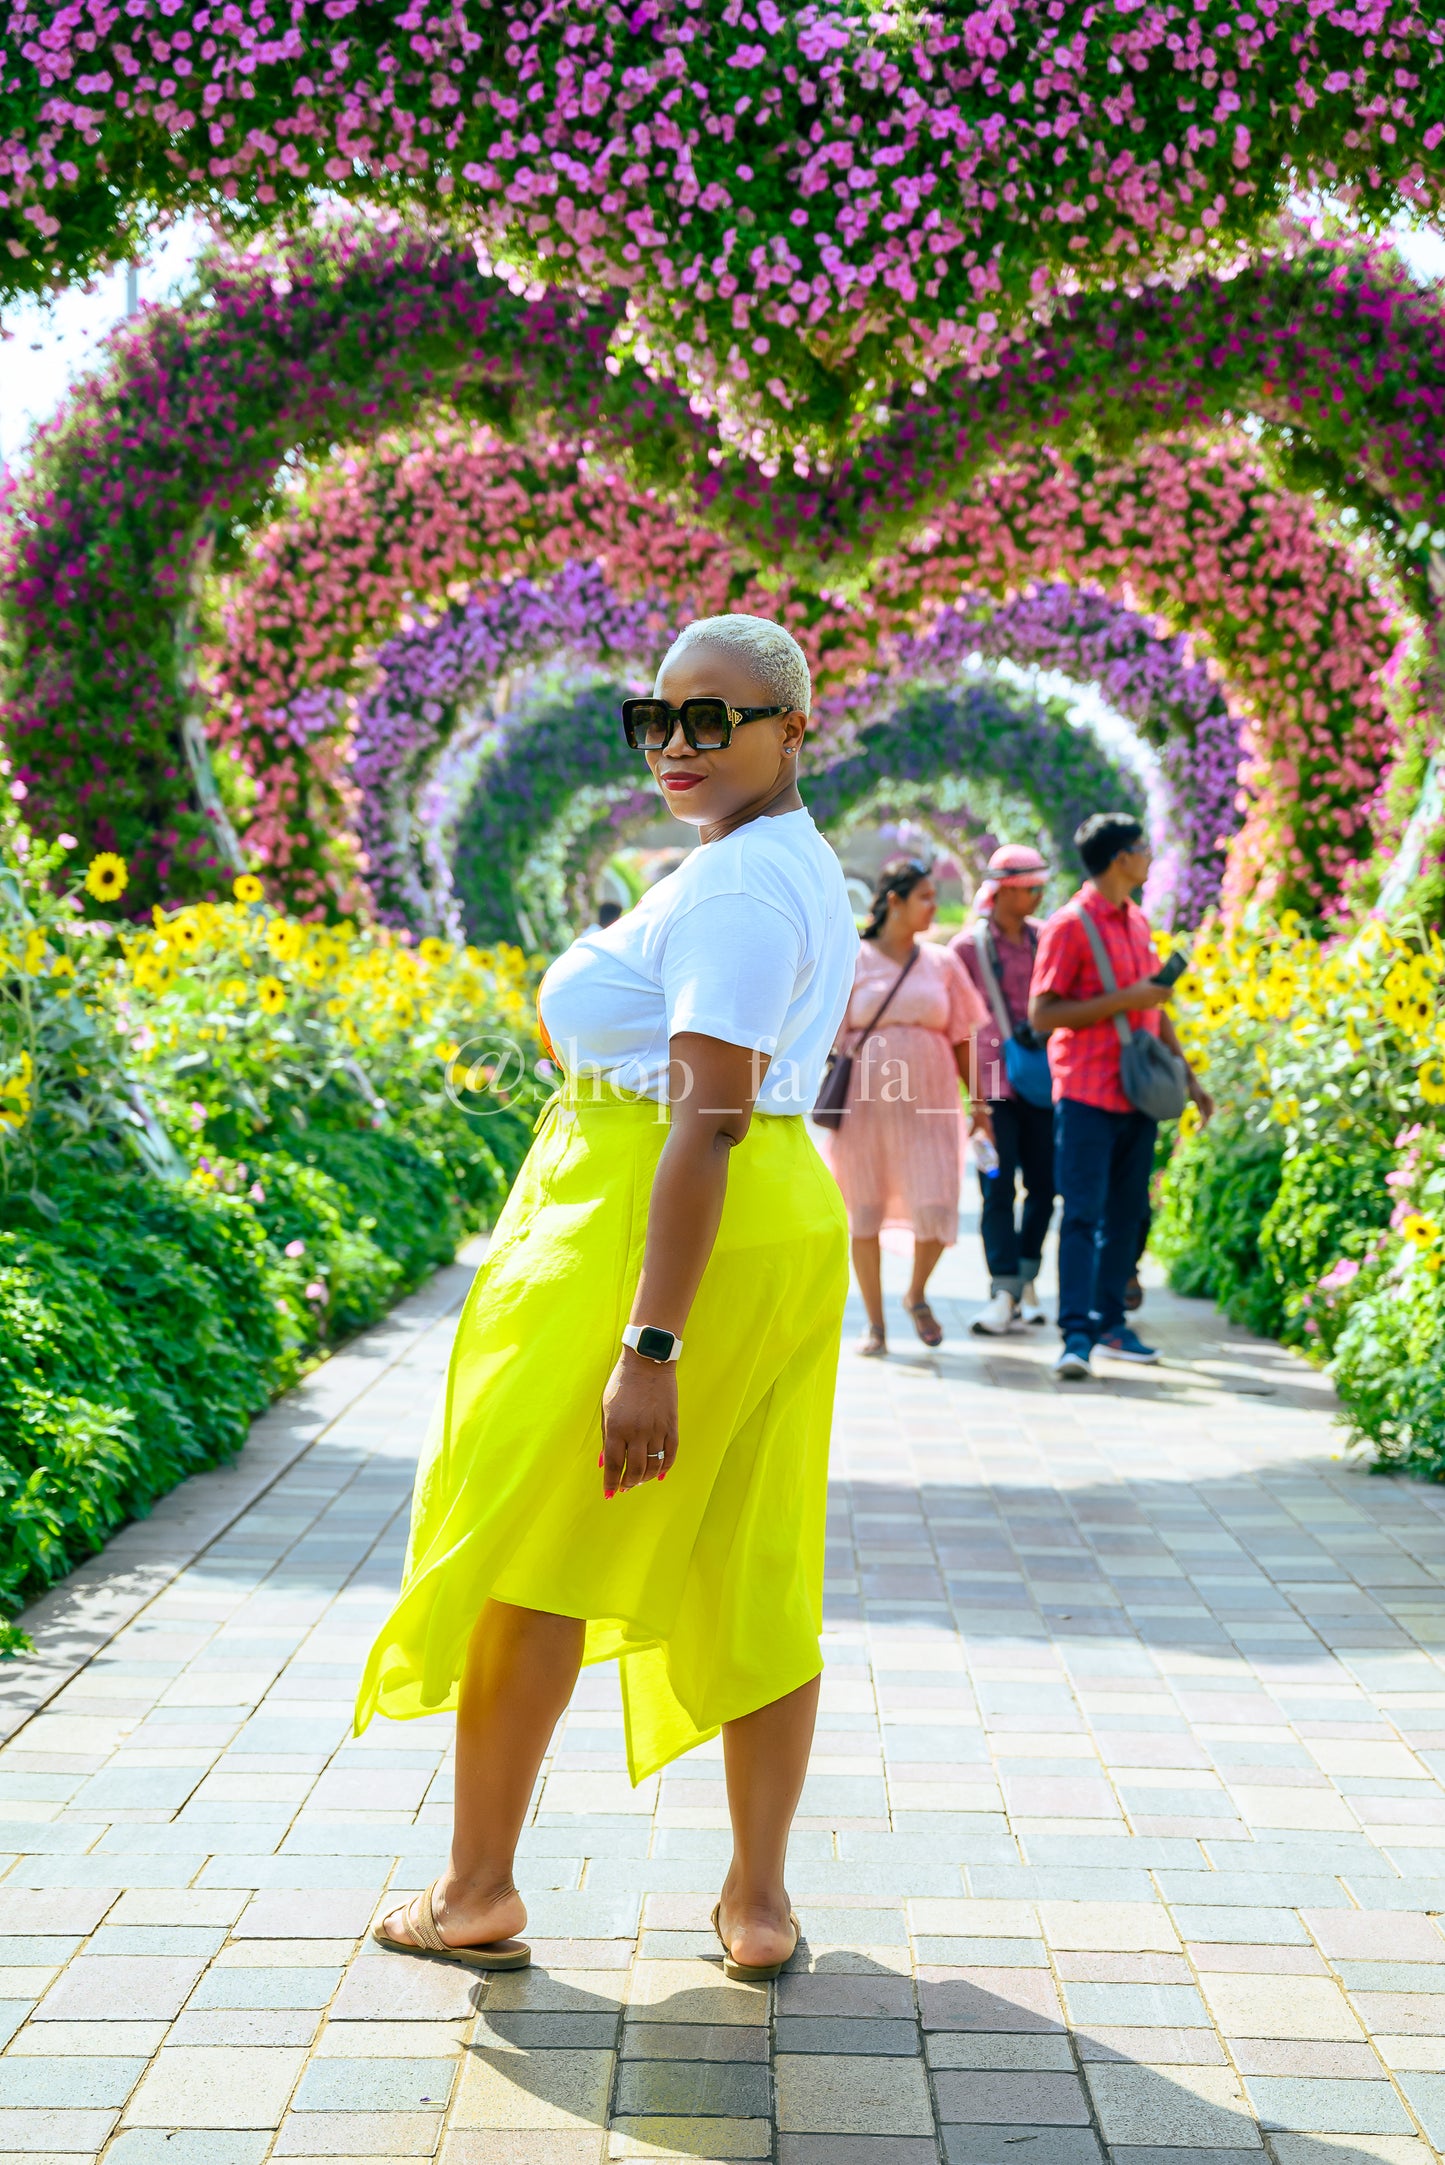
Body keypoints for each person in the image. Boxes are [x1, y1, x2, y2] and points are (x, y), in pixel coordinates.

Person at [356, 613, 857, 1982]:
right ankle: (756, 1906)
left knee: (534, 1553)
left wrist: (650, 1342)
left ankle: (473, 1894)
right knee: (756, 1554)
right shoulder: (780, 861)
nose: (679, 746)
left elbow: (705, 1118)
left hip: (668, 1229)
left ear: (790, 729)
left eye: (717, 719)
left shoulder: (740, 887)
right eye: (659, 718)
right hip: (767, 1227)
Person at [1029, 812, 1212, 1380]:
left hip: (1137, 1092)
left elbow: (1152, 1005)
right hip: (1085, 1089)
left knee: (1129, 1215)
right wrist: (1125, 998)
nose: (1150, 856)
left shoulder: (1137, 922)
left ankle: (1112, 1323)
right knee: (1082, 1214)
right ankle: (1076, 1336)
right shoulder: (1070, 924)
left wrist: (1190, 1077)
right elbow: (1042, 1014)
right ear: (1119, 859)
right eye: (1142, 847)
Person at [830, 857, 991, 1356]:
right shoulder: (850, 959)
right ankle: (875, 1325)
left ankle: (916, 1293)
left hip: (933, 1105)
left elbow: (967, 1037)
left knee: (937, 1199)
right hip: (863, 1110)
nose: (933, 906)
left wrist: (982, 1104)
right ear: (893, 900)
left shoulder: (943, 963)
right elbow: (829, 1038)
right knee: (864, 1210)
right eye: (924, 896)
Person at [951, 843, 1055, 1336]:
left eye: (1040, 887)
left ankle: (1026, 1279)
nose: (1037, 896)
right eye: (1029, 888)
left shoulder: (1045, 940)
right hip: (989, 1090)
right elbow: (955, 1026)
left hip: (1043, 1084)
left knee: (1045, 1185)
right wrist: (972, 1101)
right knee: (996, 1186)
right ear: (1004, 891)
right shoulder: (967, 950)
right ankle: (1003, 1290)